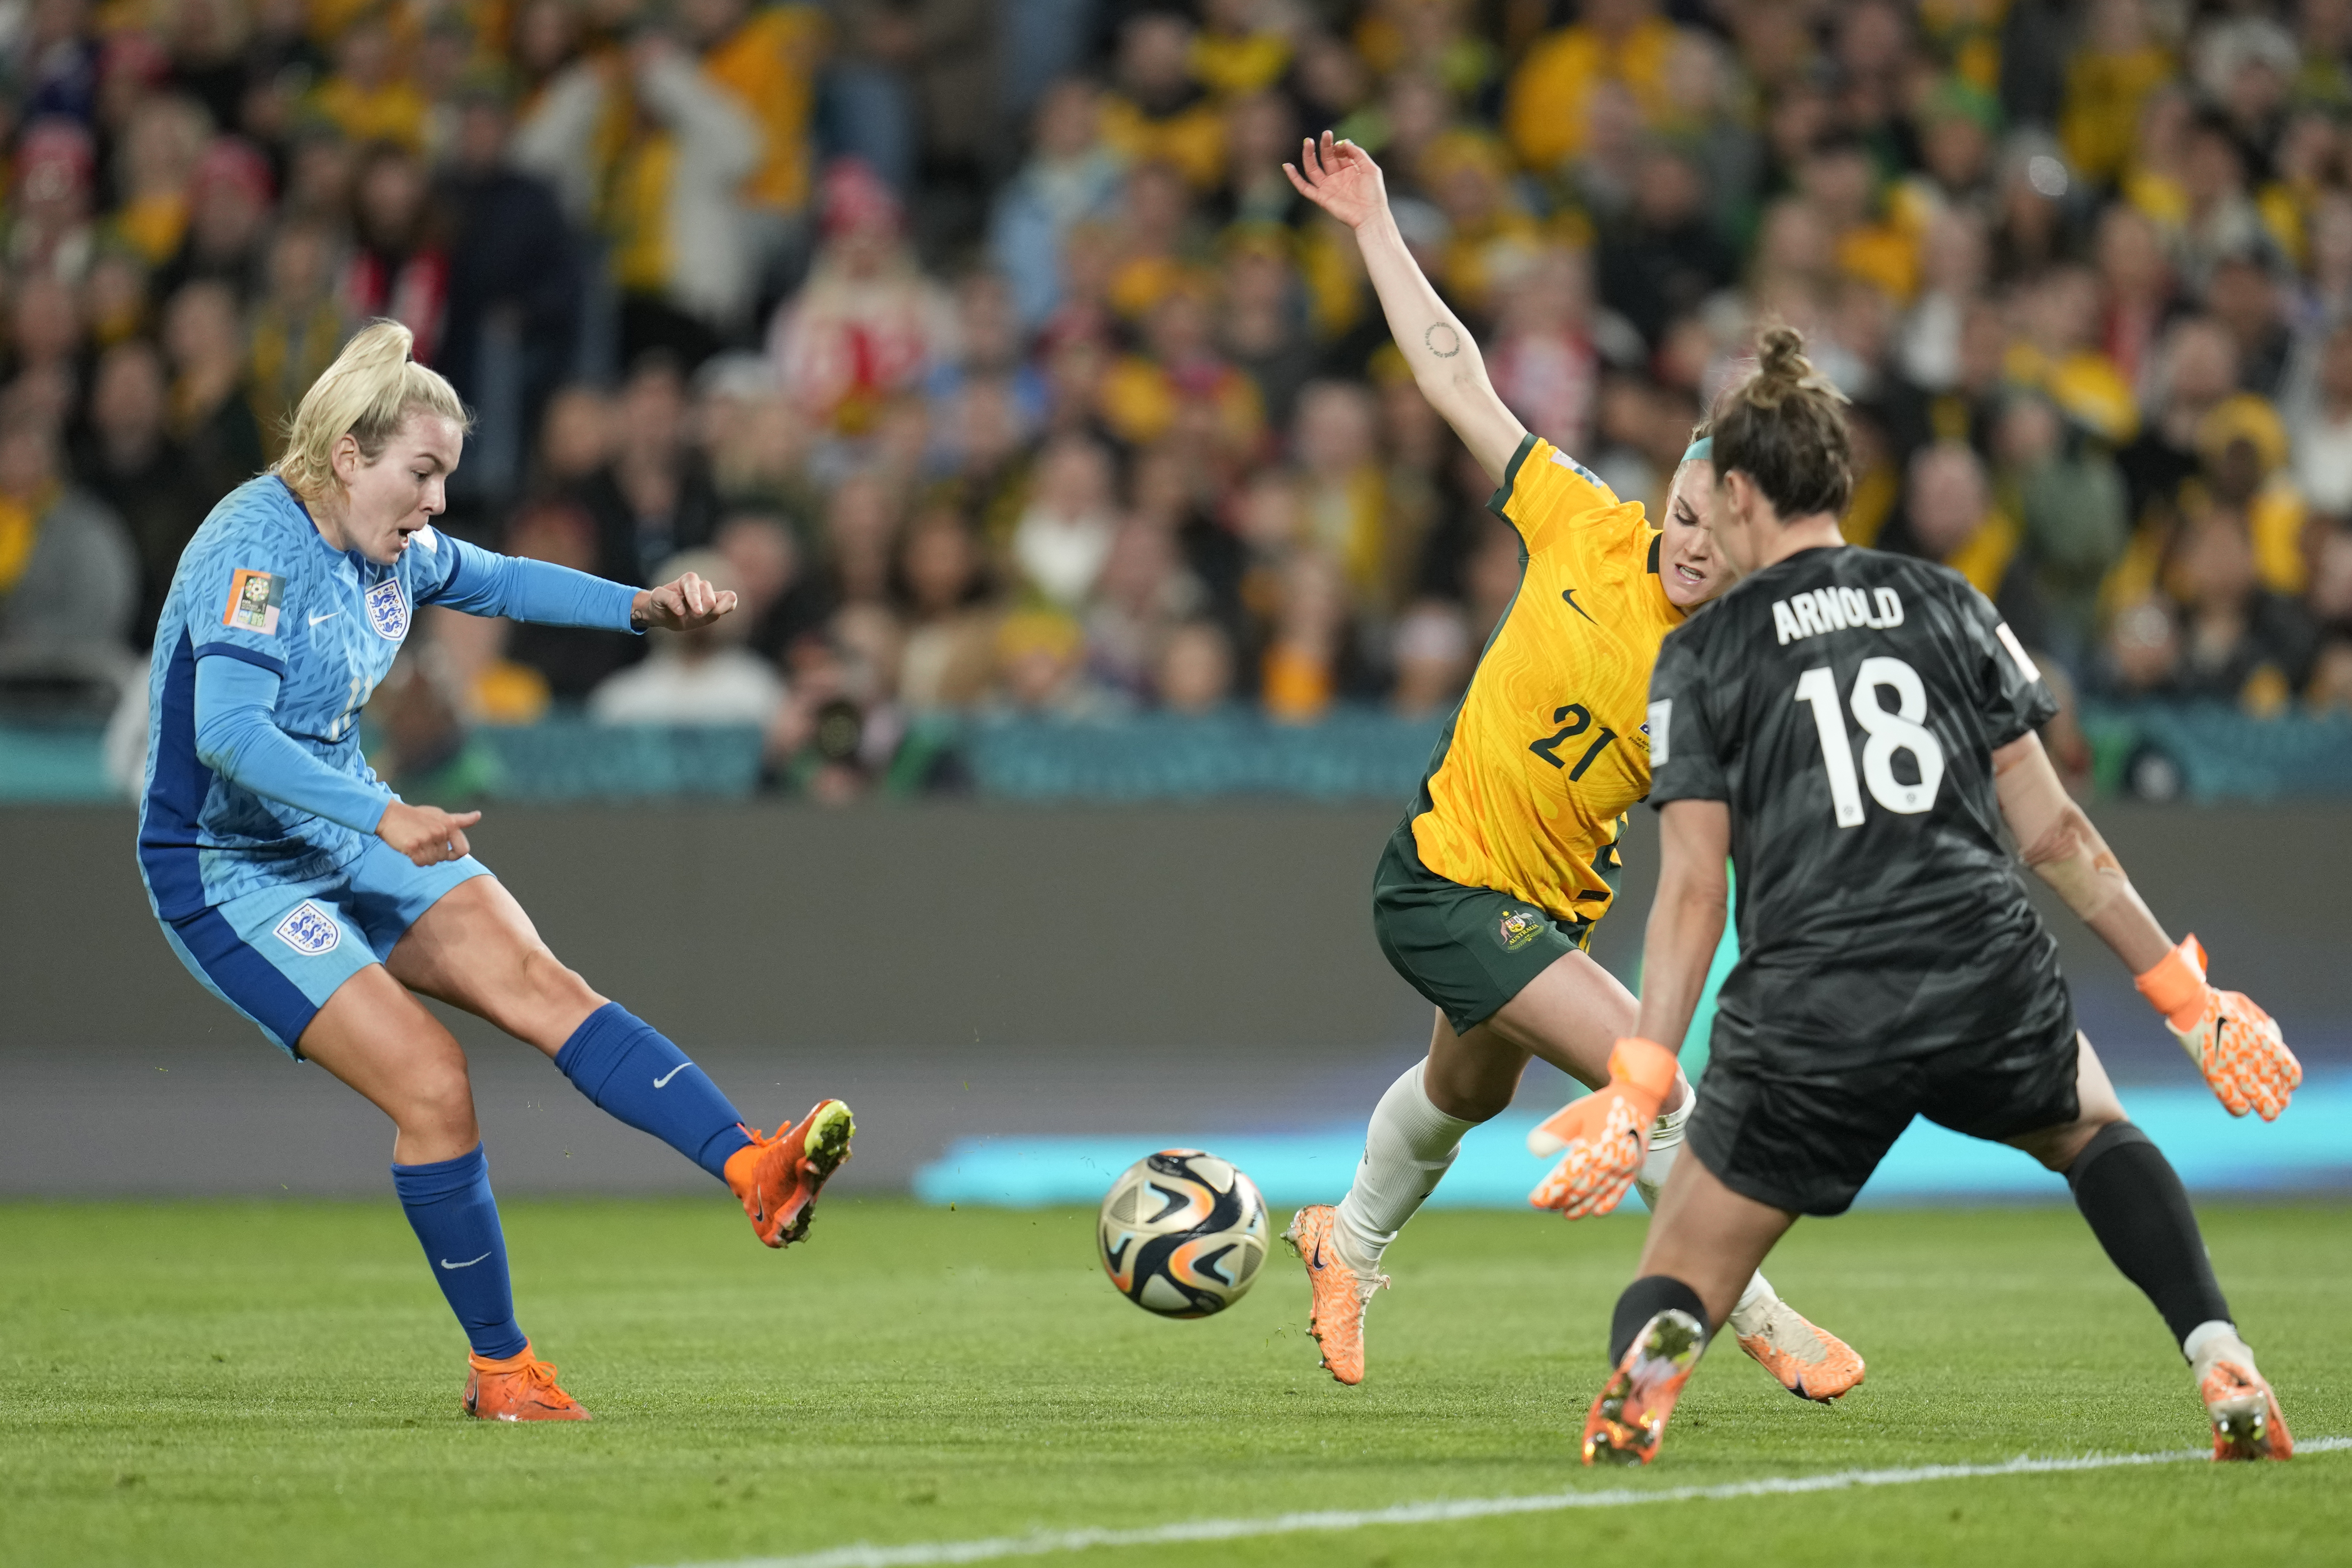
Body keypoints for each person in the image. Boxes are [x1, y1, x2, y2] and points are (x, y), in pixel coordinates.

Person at [1551, 327, 2301, 1467]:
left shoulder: (1706, 658)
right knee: (2097, 1134)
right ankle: (2215, 1350)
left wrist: (1643, 1074)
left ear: (1743, 492)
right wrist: (2184, 996)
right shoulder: (1948, 601)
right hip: (1979, 965)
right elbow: (2055, 829)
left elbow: (1695, 892)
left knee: (1688, 1257)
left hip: (1814, 1003)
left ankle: (1662, 1348)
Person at [134, 322, 855, 1423]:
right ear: (346, 458)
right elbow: (229, 733)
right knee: (433, 1081)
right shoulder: (255, 550)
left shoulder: (391, 547)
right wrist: (384, 812)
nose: (434, 503)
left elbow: (499, 578)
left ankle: (754, 1170)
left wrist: (642, 607)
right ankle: (502, 1369)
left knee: (539, 982)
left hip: (347, 829)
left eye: (445, 478)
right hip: (232, 868)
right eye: (421, 473)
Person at [1274, 134, 1862, 1402]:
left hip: (1549, 903)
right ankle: (1754, 1315)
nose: (1695, 546)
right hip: (1442, 879)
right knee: (1652, 1083)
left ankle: (1344, 1238)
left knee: (1459, 1090)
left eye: (1725, 532)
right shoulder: (1583, 522)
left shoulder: (1737, 665)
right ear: (1669, 497)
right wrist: (1377, 223)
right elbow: (1456, 382)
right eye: (1689, 515)